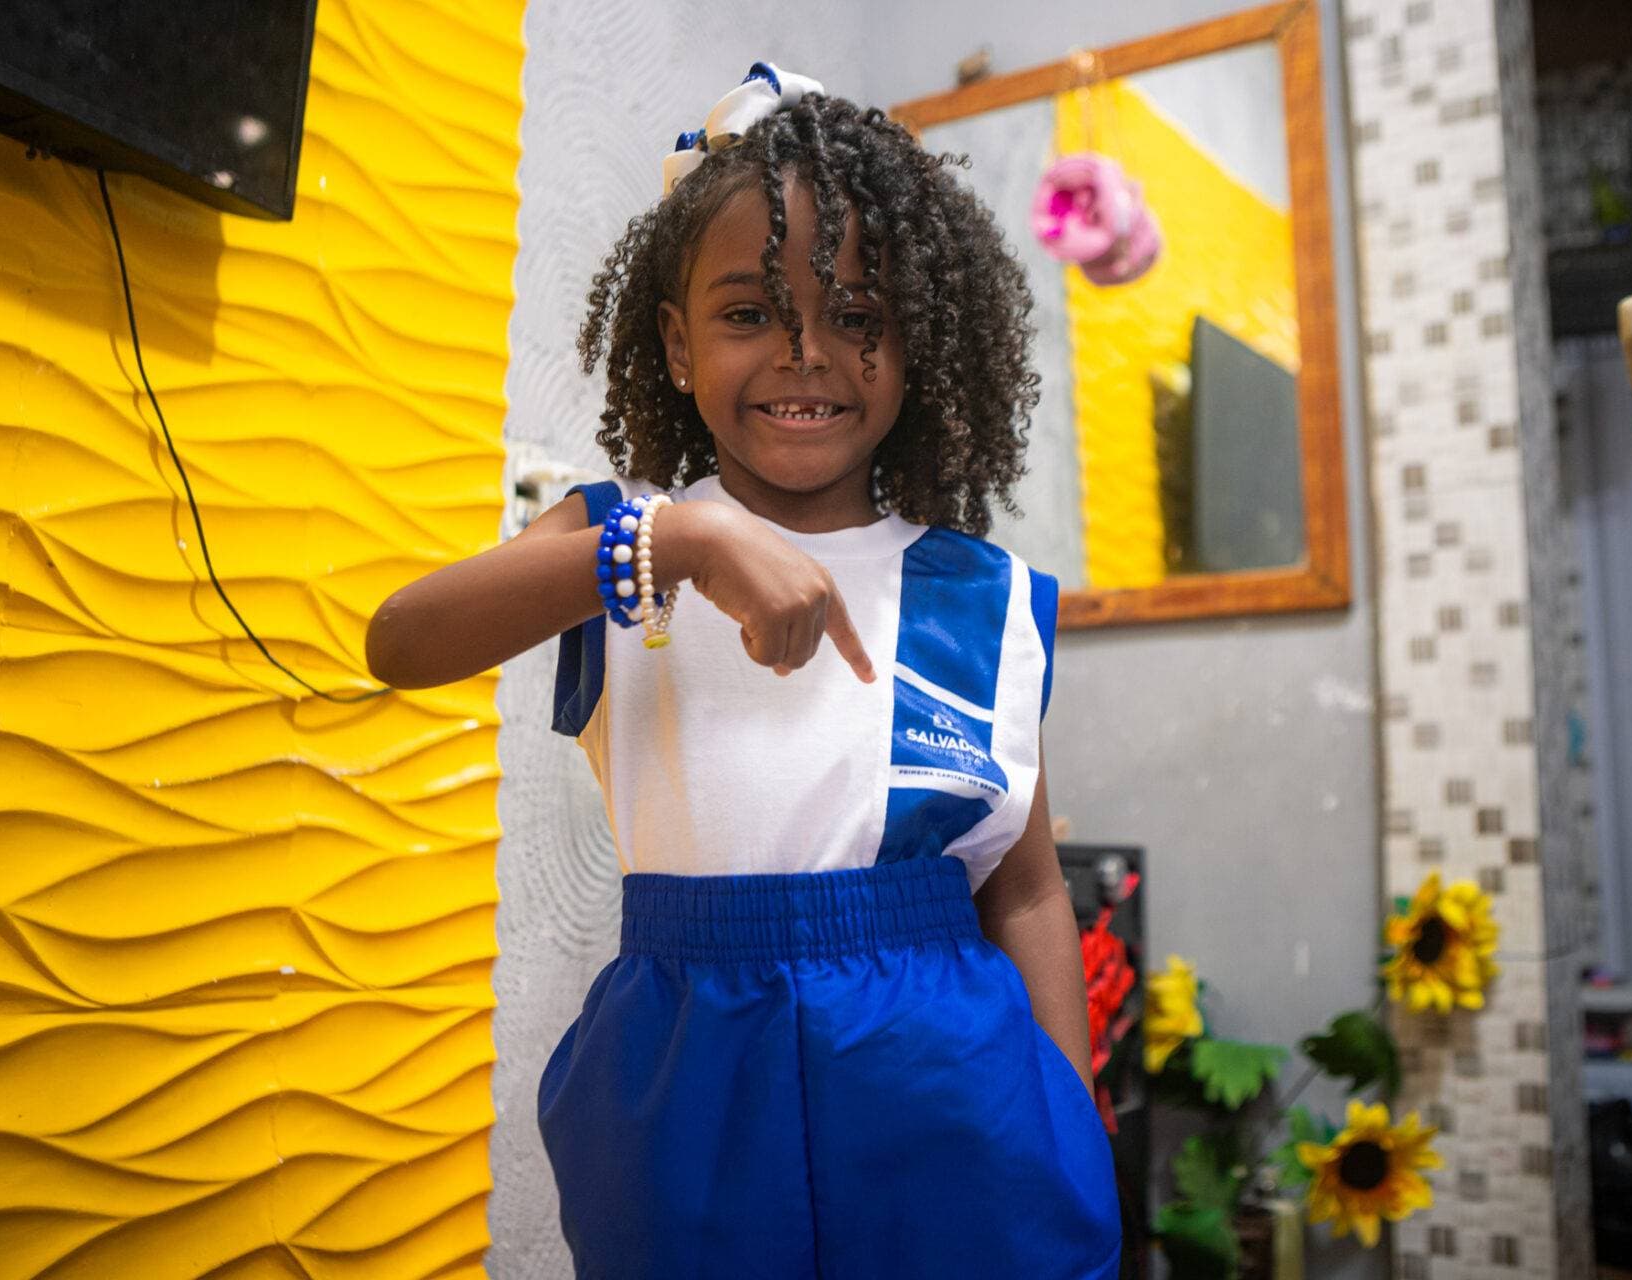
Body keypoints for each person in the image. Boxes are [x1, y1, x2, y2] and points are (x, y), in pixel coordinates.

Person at [366, 61, 1121, 1280]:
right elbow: (402, 637)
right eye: (748, 311)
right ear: (673, 342)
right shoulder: (628, 534)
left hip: (957, 1096)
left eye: (858, 314)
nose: (807, 351)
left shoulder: (988, 597)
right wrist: (686, 538)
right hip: (686, 1079)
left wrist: (1069, 1118)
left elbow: (1026, 892)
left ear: (914, 345)